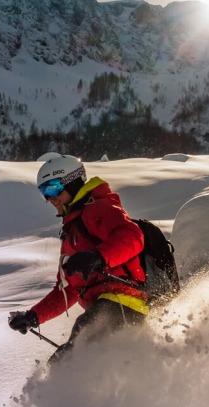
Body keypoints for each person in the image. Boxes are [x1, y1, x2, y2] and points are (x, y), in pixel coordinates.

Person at [8, 155, 148, 362]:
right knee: (61, 360)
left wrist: (98, 257)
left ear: (72, 183)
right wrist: (33, 317)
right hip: (105, 308)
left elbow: (133, 237)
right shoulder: (71, 234)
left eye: (53, 188)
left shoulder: (97, 208)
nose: (50, 198)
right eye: (43, 192)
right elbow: (67, 290)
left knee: (76, 351)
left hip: (125, 302)